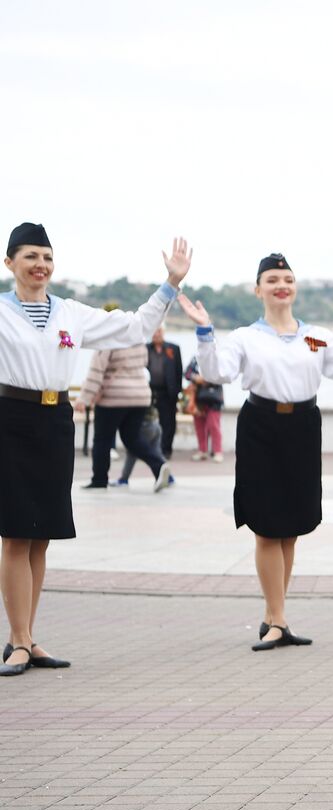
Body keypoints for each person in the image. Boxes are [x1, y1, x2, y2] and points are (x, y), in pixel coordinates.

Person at [177, 254, 333, 652]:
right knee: (266, 525)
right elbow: (217, 371)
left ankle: (274, 616)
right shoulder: (246, 337)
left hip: (303, 427)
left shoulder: (316, 335)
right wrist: (205, 331)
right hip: (261, 426)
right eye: (273, 279)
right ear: (257, 289)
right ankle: (276, 618)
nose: (282, 285)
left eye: (288, 279)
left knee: (292, 527)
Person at [1, 224, 191, 677]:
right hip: (10, 418)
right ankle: (17, 641)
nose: (40, 265)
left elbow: (135, 326)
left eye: (46, 257)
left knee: (41, 533)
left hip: (55, 421)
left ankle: (29, 635)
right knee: (14, 532)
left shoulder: (70, 312)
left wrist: (171, 284)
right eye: (30, 256)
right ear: (10, 263)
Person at [74, 317, 172, 492]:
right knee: (132, 438)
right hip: (140, 397)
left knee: (102, 439)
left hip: (114, 398)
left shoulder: (107, 342)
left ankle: (99, 480)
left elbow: (96, 372)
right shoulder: (138, 342)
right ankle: (159, 465)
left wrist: (84, 399)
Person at [147, 325, 183, 459]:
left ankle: (166, 450)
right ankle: (148, 449)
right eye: (154, 331)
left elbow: (179, 371)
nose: (157, 334)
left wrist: (177, 392)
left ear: (163, 332)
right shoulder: (146, 348)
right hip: (149, 392)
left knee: (168, 423)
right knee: (146, 421)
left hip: (168, 393)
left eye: (159, 331)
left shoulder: (173, 348)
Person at [183, 355, 224, 461]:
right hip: (198, 399)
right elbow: (187, 373)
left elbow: (223, 375)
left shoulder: (217, 359)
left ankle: (217, 451)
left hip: (214, 399)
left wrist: (205, 379)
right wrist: (195, 377)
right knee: (199, 426)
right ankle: (202, 451)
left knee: (213, 425)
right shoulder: (195, 359)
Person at [115, 406, 165, 486]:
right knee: (155, 452)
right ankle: (168, 476)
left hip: (142, 425)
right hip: (154, 424)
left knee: (133, 450)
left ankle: (124, 479)